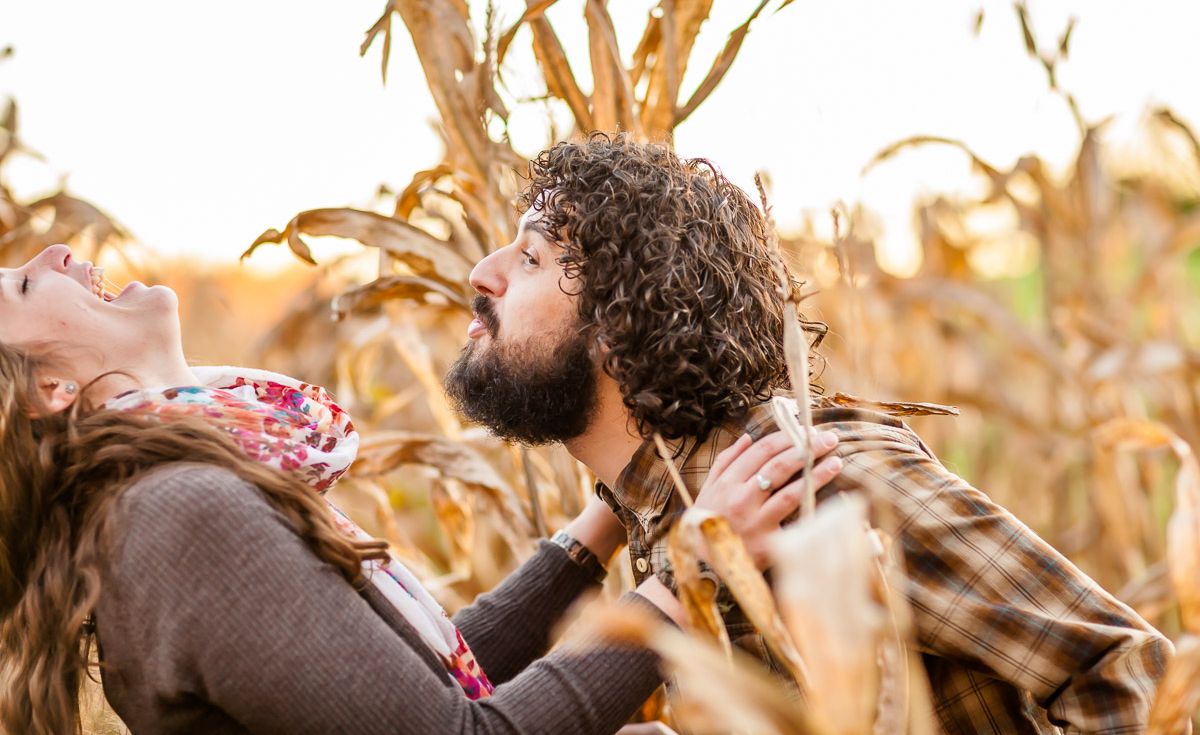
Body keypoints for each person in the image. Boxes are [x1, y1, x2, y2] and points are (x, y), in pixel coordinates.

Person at [444, 133, 1174, 734]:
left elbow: (1130, 676)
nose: (484, 273)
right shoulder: (671, 510)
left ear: (619, 327)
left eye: (532, 257)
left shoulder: (818, 479)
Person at [0, 244, 844, 734]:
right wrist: (691, 573)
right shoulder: (177, 516)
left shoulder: (167, 495)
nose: (53, 256)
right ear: (48, 393)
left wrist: (602, 527)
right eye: (26, 286)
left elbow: (425, 673)